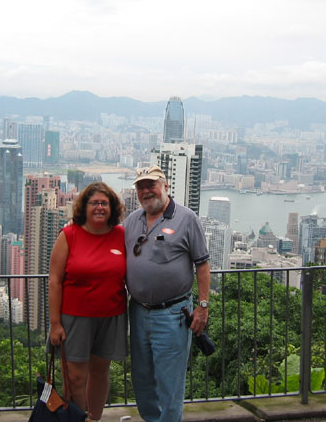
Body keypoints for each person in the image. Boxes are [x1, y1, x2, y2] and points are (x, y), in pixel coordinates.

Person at [124, 166, 211, 422]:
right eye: (141, 187)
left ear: (166, 186)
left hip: (172, 314)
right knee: (141, 379)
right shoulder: (132, 220)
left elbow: (202, 264)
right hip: (138, 312)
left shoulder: (186, 219)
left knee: (170, 383)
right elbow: (106, 239)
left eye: (151, 184)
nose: (146, 191)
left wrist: (203, 305)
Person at [48, 182, 127, 422]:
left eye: (104, 203)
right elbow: (54, 280)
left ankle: (94, 418)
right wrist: (55, 323)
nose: (100, 207)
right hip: (74, 318)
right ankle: (76, 418)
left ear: (112, 207)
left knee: (101, 372)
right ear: (85, 206)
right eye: (94, 203)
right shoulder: (69, 235)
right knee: (75, 377)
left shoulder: (121, 235)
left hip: (111, 316)